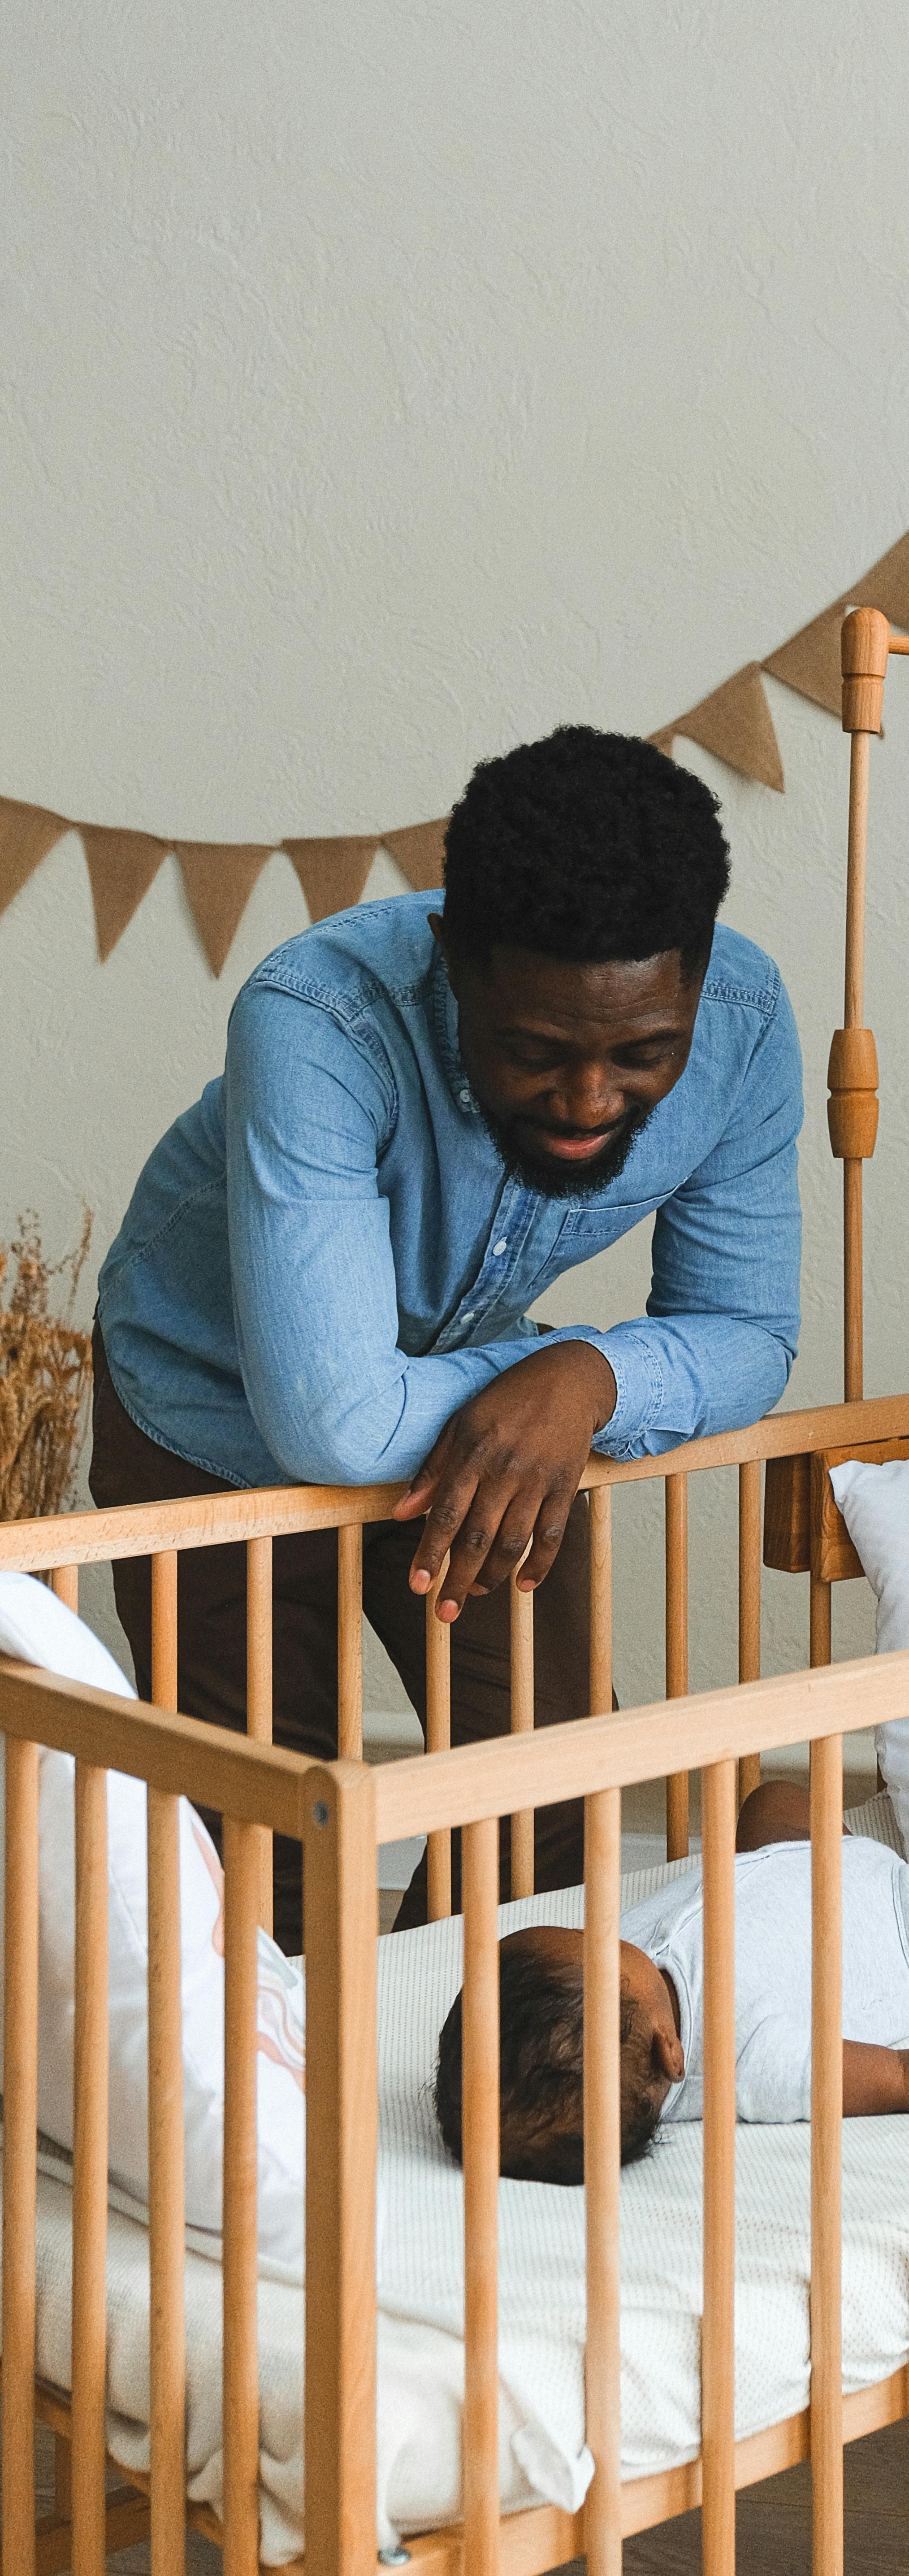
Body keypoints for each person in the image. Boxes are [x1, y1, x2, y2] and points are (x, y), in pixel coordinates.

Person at [91, 727, 802, 1952]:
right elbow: (330, 1417)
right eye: (535, 1052)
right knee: (272, 1858)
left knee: (552, 1799)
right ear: (453, 966)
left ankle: (425, 2086)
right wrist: (546, 1375)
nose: (589, 1103)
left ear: (690, 980)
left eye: (643, 1053)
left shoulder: (743, 1024)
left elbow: (749, 1330)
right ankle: (292, 2108)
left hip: (471, 1417)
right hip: (206, 1411)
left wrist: (580, 1375)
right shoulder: (317, 1014)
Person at [429, 1776, 909, 2171]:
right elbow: (906, 2078)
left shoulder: (624, 1994)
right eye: (592, 1945)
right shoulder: (753, 2063)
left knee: (774, 1797)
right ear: (670, 2051)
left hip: (794, 1862)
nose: (597, 1932)